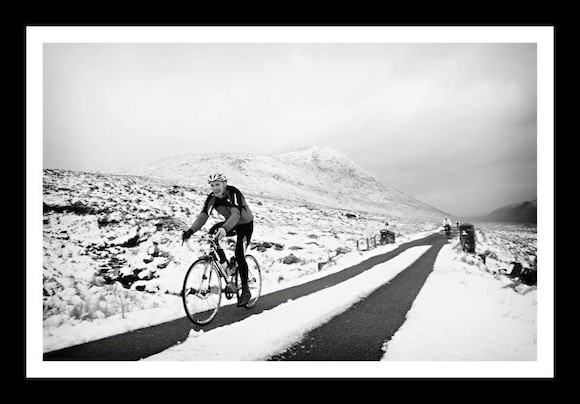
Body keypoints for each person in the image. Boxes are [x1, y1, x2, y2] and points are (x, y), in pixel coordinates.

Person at [182, 173, 255, 307]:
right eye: (212, 185)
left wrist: (225, 228)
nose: (215, 188)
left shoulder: (233, 193)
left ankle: (245, 289)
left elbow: (236, 214)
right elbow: (203, 216)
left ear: (224, 184)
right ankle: (226, 265)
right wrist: (190, 231)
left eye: (218, 185)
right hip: (230, 224)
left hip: (245, 225)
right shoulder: (212, 198)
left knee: (239, 254)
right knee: (212, 234)